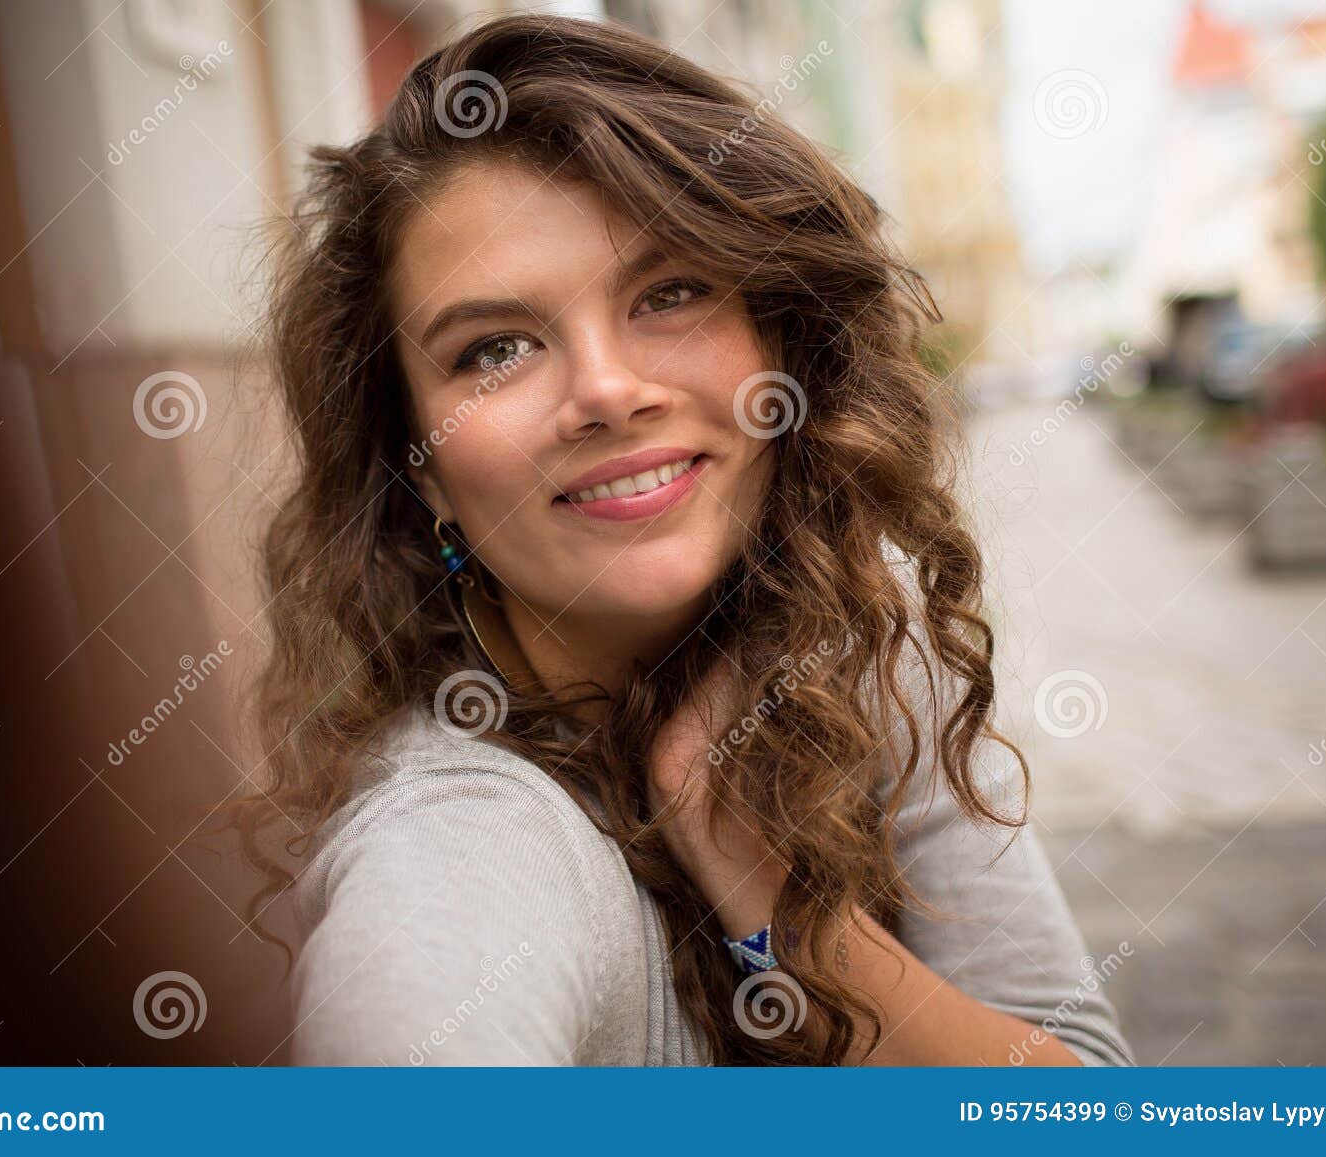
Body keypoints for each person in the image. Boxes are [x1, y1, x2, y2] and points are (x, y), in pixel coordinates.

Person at [236, 12, 1135, 1067]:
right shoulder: (456, 839)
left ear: (780, 342)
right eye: (495, 348)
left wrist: (782, 914)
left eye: (669, 293)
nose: (608, 391)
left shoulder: (856, 631)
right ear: (416, 461)